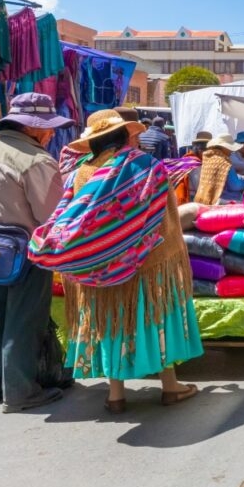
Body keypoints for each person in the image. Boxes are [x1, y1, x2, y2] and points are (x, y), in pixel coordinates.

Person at [30, 110, 203, 414]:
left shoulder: (81, 171)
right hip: (149, 262)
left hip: (98, 264)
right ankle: (170, 385)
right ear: (124, 135)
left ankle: (116, 395)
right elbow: (165, 213)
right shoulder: (145, 166)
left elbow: (72, 216)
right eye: (132, 134)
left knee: (109, 321)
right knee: (155, 316)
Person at [0, 92, 73, 412]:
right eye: (47, 128)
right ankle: (21, 391)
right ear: (31, 129)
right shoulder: (36, 160)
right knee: (26, 320)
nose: (51, 133)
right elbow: (50, 216)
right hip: (26, 252)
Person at [195, 133, 244, 204]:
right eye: (230, 148)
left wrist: (243, 177)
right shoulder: (225, 162)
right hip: (224, 200)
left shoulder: (209, 159)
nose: (231, 151)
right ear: (224, 147)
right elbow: (235, 185)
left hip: (206, 200)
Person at [186, 130, 212, 197]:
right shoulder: (195, 164)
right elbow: (200, 189)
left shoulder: (191, 159)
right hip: (192, 199)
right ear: (201, 150)